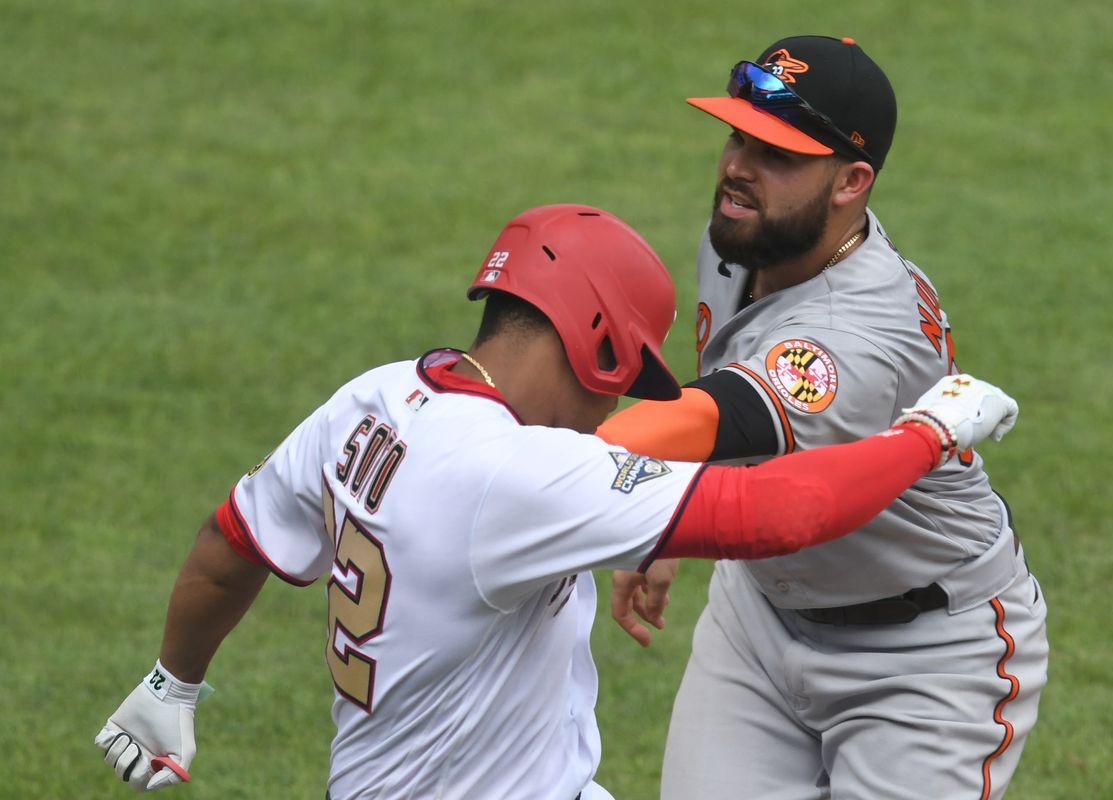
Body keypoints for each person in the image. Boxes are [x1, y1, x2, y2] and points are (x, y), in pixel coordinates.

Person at [95, 204, 1019, 800]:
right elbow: (778, 515)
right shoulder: (518, 477)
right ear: (596, 346)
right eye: (624, 377)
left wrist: (173, 681)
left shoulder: (373, 402)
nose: (616, 405)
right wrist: (927, 434)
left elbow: (231, 544)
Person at [598, 36, 1049, 800]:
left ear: (852, 181)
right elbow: (707, 402)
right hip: (760, 621)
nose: (738, 167)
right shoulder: (751, 233)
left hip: (927, 657)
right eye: (738, 135)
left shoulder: (857, 330)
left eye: (777, 153)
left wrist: (517, 451)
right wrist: (662, 512)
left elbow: (726, 415)